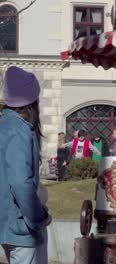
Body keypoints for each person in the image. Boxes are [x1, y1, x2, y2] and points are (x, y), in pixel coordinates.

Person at [0, 66, 51, 264]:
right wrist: (39, 217)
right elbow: (20, 182)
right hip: (20, 226)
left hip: (8, 223)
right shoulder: (19, 131)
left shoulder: (4, 126)